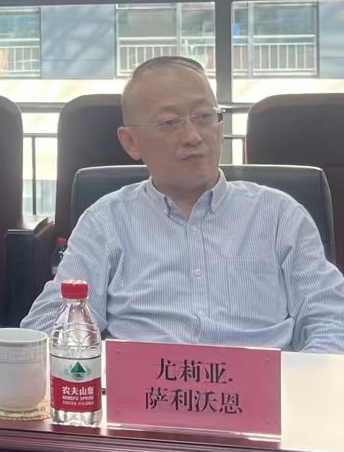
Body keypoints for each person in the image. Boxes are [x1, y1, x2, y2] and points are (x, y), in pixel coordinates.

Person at [22, 56, 344, 353]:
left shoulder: (279, 216)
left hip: (265, 392)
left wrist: (306, 385)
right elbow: (50, 327)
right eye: (170, 123)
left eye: (204, 117)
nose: (193, 136)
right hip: (142, 392)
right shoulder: (106, 221)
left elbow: (330, 320)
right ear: (131, 142)